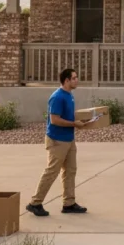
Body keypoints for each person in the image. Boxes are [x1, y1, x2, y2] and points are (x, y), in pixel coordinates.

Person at [26, 68, 89, 216]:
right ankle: (35, 203)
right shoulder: (57, 97)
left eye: (76, 77)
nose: (76, 80)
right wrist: (74, 124)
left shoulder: (69, 95)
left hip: (69, 139)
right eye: (74, 78)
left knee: (70, 171)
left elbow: (68, 116)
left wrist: (80, 121)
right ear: (66, 80)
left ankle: (69, 203)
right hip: (57, 140)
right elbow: (54, 120)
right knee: (51, 171)